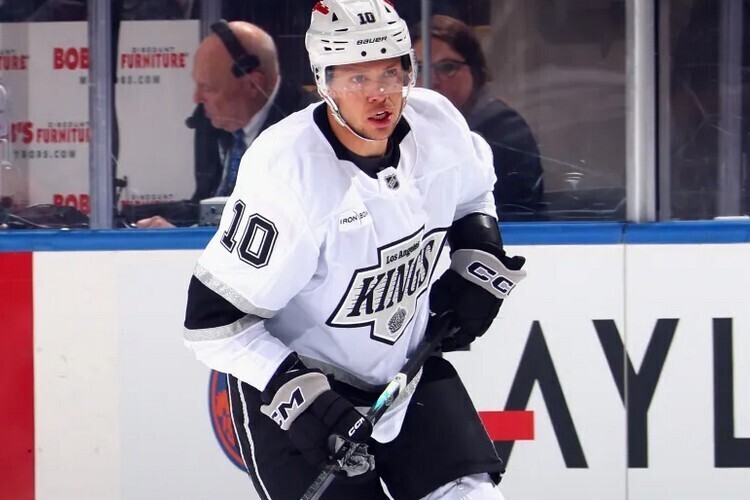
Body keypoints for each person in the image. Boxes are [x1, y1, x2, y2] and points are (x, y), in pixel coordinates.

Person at [183, 1, 526, 498]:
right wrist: (295, 390)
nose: (380, 94)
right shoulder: (288, 173)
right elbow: (213, 326)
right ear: (324, 82)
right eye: (358, 78)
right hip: (302, 396)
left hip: (405, 376)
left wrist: (479, 250)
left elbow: (474, 193)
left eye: (390, 72)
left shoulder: (438, 126)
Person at [136, 20, 317, 228]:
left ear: (252, 84)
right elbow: (206, 203)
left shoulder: (310, 130)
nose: (196, 98)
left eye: (208, 88)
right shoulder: (209, 121)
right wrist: (175, 230)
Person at [411, 15, 545, 220]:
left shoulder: (503, 126)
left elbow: (513, 218)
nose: (432, 80)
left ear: (474, 70)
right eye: (419, 69)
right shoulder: (400, 132)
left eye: (447, 67)